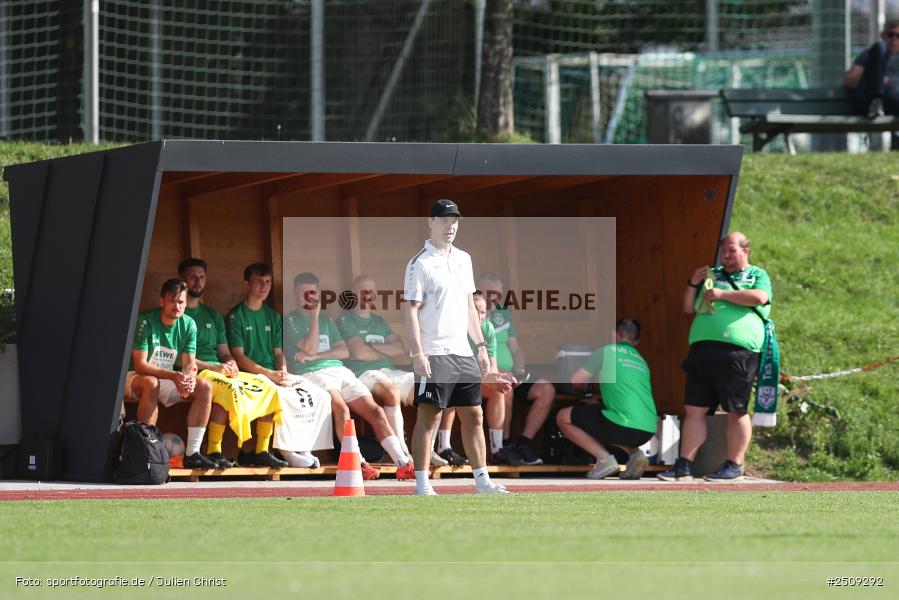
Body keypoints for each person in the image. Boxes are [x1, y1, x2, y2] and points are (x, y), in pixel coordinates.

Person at [404, 198, 509, 495]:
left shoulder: (464, 258)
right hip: (434, 352)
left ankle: (482, 482)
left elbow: (468, 306)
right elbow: (411, 310)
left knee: (474, 415)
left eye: (455, 221)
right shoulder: (419, 264)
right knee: (430, 416)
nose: (451, 226)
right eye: (445, 220)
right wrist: (418, 352)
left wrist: (480, 346)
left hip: (463, 353)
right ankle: (422, 485)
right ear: (431, 223)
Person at [179, 258, 321, 469]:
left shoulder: (214, 315)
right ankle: (213, 450)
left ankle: (263, 450)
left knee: (269, 388)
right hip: (197, 372)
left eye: (201, 277)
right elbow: (184, 357)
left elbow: (227, 353)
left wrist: (232, 364)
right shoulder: (182, 315)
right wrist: (227, 365)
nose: (198, 281)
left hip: (225, 371)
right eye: (193, 277)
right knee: (227, 388)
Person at [658, 232, 773, 482]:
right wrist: (692, 283)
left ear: (746, 251)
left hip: (738, 352)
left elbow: (760, 298)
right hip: (702, 350)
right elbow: (688, 307)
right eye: (723, 251)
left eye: (732, 250)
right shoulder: (713, 275)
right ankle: (684, 465)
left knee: (736, 410)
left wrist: (722, 295)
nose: (726, 255)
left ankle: (733, 465)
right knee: (694, 410)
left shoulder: (757, 274)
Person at [285, 272, 414, 480]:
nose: (311, 298)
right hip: (312, 372)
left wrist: (316, 354)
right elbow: (308, 346)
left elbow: (343, 352)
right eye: (305, 293)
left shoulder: (328, 319)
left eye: (314, 293)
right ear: (295, 295)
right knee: (341, 408)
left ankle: (402, 461)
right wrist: (314, 318)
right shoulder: (291, 320)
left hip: (339, 370)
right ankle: (359, 462)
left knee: (376, 411)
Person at [226, 263, 333, 470]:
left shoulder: (273, 316)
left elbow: (278, 353)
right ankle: (283, 451)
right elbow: (238, 357)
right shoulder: (235, 315)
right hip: (250, 373)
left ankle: (304, 447)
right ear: (247, 284)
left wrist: (282, 371)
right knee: (277, 394)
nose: (264, 287)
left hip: (273, 372)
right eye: (258, 281)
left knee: (319, 394)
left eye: (267, 282)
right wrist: (270, 374)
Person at [125, 278, 217, 469]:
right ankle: (145, 452)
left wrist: (189, 378)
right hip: (134, 377)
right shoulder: (145, 321)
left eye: (181, 301)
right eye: (172, 301)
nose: (177, 306)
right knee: (151, 383)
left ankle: (193, 453)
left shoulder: (189, 324)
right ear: (162, 301)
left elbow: (189, 362)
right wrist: (174, 376)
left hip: (165, 378)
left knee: (204, 386)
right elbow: (140, 365)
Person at [556, 318, 656, 480]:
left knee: (563, 416)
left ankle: (604, 460)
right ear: (636, 341)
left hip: (622, 424)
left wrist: (584, 391)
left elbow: (576, 381)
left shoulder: (606, 351)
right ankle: (635, 454)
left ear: (614, 335)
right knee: (604, 419)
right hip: (647, 430)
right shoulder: (641, 361)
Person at [477, 272, 556, 466]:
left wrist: (519, 366)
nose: (494, 298)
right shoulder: (473, 314)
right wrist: (500, 372)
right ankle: (504, 444)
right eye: (490, 293)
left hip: (512, 373)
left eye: (498, 293)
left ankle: (524, 444)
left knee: (546, 390)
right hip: (486, 377)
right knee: (505, 388)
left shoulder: (504, 313)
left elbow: (515, 348)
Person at [335, 275, 417, 461]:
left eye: (372, 290)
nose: (369, 294)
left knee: (430, 391)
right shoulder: (345, 320)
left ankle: (432, 451)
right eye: (364, 290)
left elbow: (400, 349)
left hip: (389, 370)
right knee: (391, 392)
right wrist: (385, 350)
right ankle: (401, 450)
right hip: (362, 372)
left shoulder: (379, 321)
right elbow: (358, 354)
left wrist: (369, 346)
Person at [434, 293, 512, 466]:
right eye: (476, 311)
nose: (480, 316)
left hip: (474, 378)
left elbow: (492, 367)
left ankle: (496, 448)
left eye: (484, 312)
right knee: (453, 389)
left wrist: (497, 378)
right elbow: (453, 369)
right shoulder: (456, 328)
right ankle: (443, 447)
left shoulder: (488, 329)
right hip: (451, 377)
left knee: (498, 391)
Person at [844, 19, 899, 121]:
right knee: (879, 47)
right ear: (883, 35)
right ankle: (876, 101)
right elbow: (849, 81)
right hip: (868, 103)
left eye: (898, 36)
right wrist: (875, 78)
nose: (894, 39)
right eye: (891, 35)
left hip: (893, 100)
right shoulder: (871, 54)